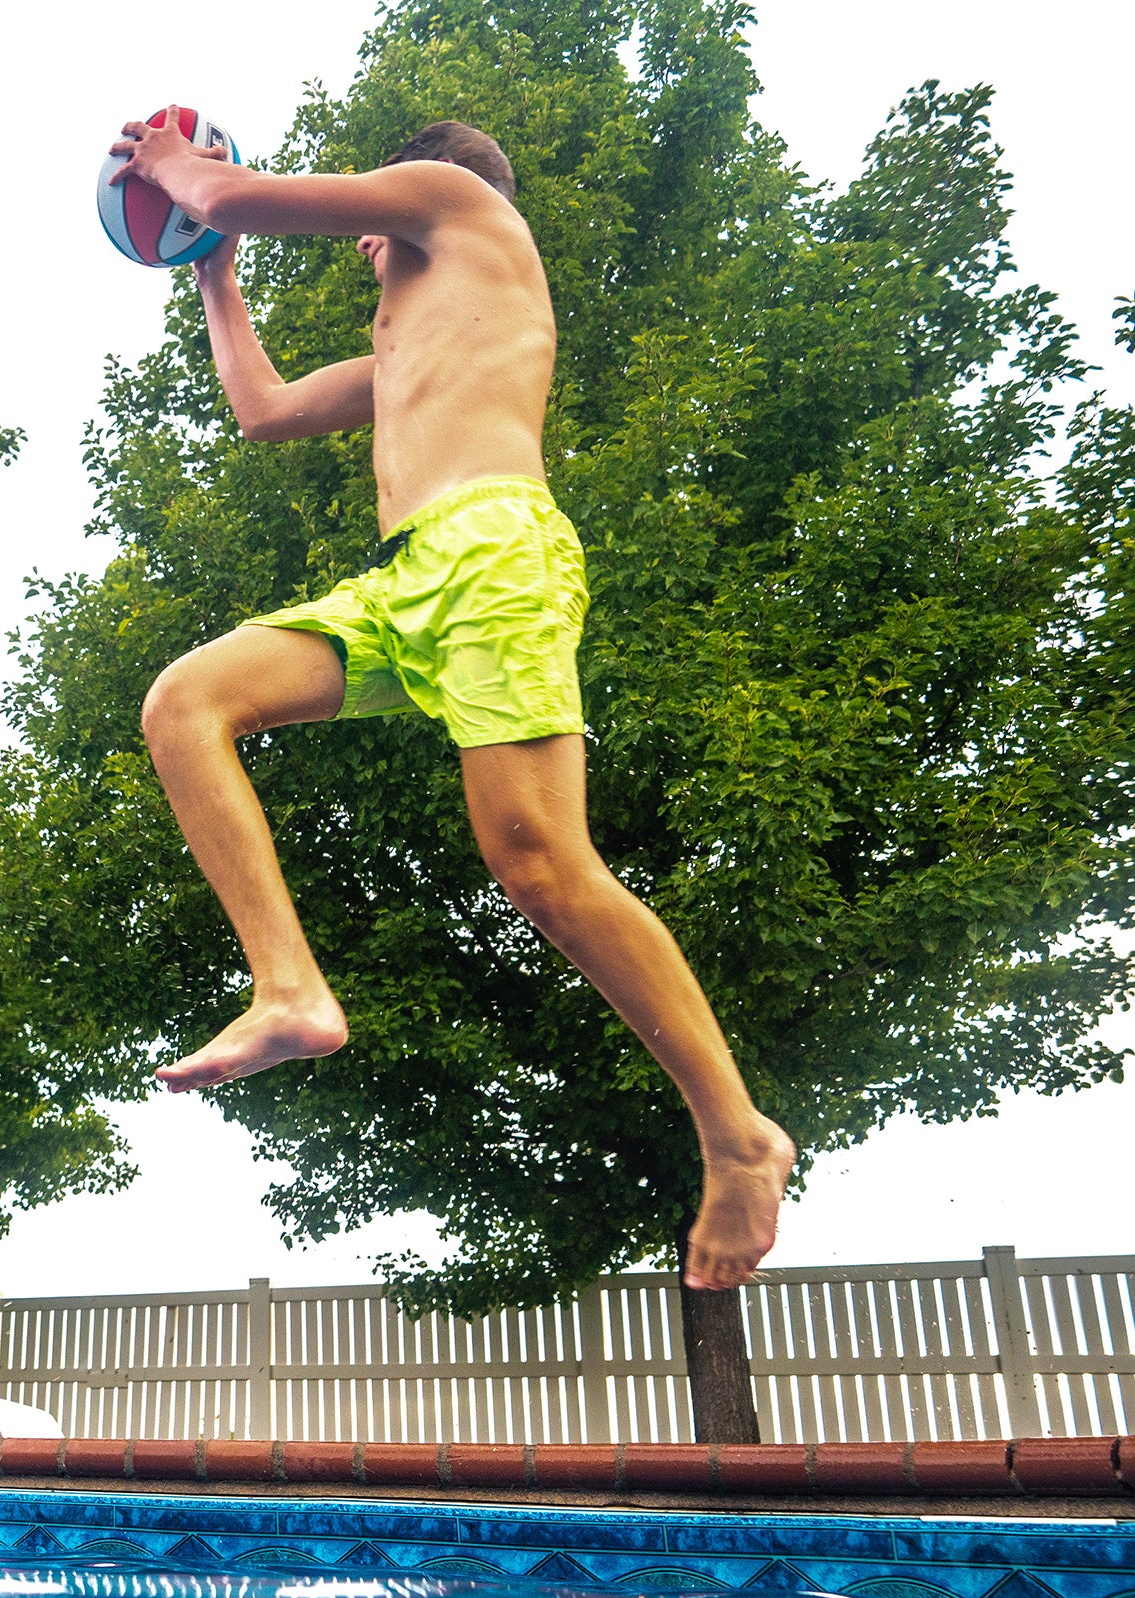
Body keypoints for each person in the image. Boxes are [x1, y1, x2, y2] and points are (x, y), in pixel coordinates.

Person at [109, 111, 794, 1290]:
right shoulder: (403, 352)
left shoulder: (460, 200)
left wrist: (172, 167)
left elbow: (228, 194)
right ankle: (288, 988)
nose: (365, 246)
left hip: (496, 551)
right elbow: (262, 409)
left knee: (537, 865)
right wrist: (210, 277)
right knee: (186, 703)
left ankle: (736, 1134)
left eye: (371, 227)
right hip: (405, 581)